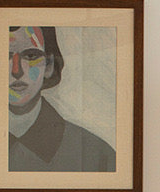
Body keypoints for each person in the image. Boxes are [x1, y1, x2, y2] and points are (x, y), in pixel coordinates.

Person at [8, 26, 116, 172]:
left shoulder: (98, 155)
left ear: (49, 65)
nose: (16, 71)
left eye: (31, 56)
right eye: (4, 56)